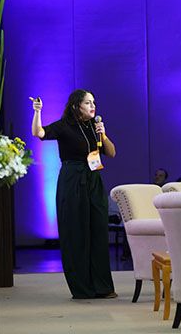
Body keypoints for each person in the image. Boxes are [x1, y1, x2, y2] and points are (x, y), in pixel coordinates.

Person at [30, 90, 117, 299]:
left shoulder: (94, 126)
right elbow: (39, 133)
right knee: (76, 232)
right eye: (88, 103)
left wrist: (103, 134)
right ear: (76, 106)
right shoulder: (64, 126)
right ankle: (82, 288)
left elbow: (111, 152)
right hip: (72, 180)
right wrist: (38, 112)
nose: (93, 106)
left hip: (93, 180)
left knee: (98, 231)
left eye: (93, 102)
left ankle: (102, 286)